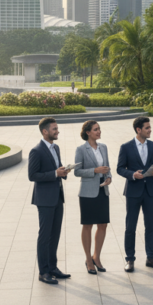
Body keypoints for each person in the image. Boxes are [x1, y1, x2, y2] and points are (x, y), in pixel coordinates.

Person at [27, 117, 73, 285]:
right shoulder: (36, 151)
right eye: (54, 129)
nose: (57, 131)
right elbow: (32, 176)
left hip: (57, 197)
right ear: (45, 131)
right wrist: (55, 173)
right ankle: (44, 271)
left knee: (55, 234)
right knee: (45, 236)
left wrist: (63, 171)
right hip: (45, 199)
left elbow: (56, 167)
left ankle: (53, 268)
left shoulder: (56, 148)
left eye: (57, 128)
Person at [116, 116, 153, 272]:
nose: (150, 130)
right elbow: (120, 168)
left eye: (150, 127)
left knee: (150, 226)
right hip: (133, 192)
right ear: (138, 130)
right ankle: (129, 259)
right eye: (147, 128)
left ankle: (151, 257)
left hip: (150, 191)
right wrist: (132, 175)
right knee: (130, 227)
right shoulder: (126, 147)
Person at [74, 120, 111, 274]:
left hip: (103, 190)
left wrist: (109, 177)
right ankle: (88, 259)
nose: (99, 131)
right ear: (88, 132)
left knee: (103, 224)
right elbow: (77, 171)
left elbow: (107, 167)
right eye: (96, 129)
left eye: (99, 129)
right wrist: (95, 170)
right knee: (88, 225)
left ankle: (97, 257)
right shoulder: (81, 149)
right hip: (88, 192)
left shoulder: (103, 147)